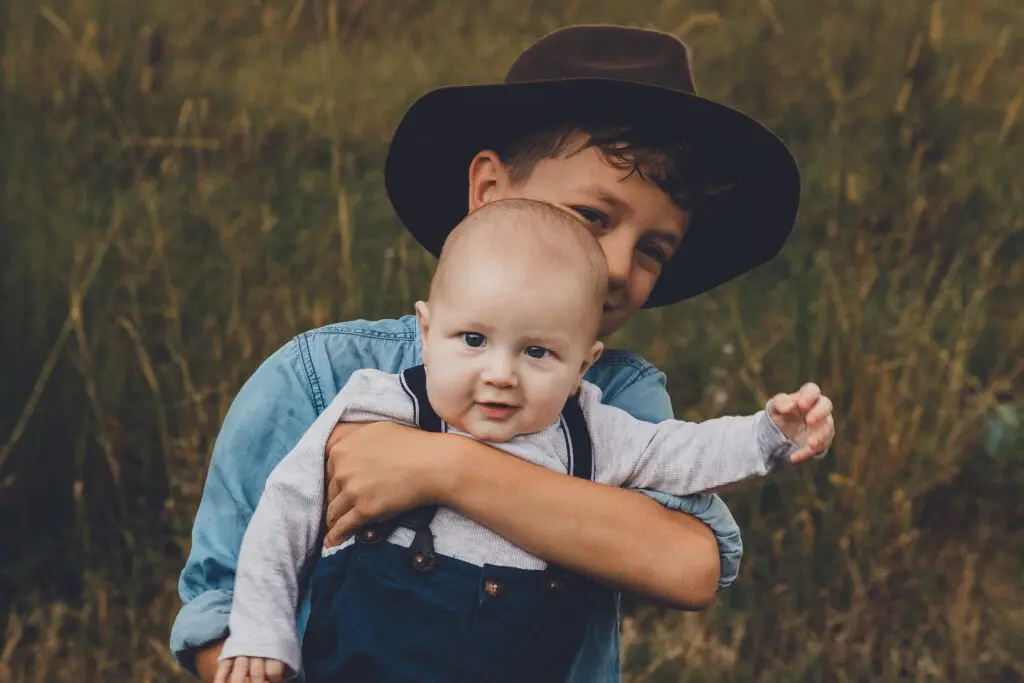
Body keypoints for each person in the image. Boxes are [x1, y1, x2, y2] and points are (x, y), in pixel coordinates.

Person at [171, 25, 821, 683]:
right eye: (593, 216)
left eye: (654, 248)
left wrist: (443, 466)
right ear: (487, 191)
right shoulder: (320, 377)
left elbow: (687, 562)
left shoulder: (617, 399)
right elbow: (218, 602)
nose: (619, 265)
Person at [214, 200, 833, 683]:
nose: (501, 374)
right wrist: (263, 631)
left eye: (538, 352)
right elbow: (286, 508)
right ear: (427, 332)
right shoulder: (380, 402)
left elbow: (682, 452)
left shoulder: (589, 432)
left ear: (582, 366)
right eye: (473, 341)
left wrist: (768, 435)